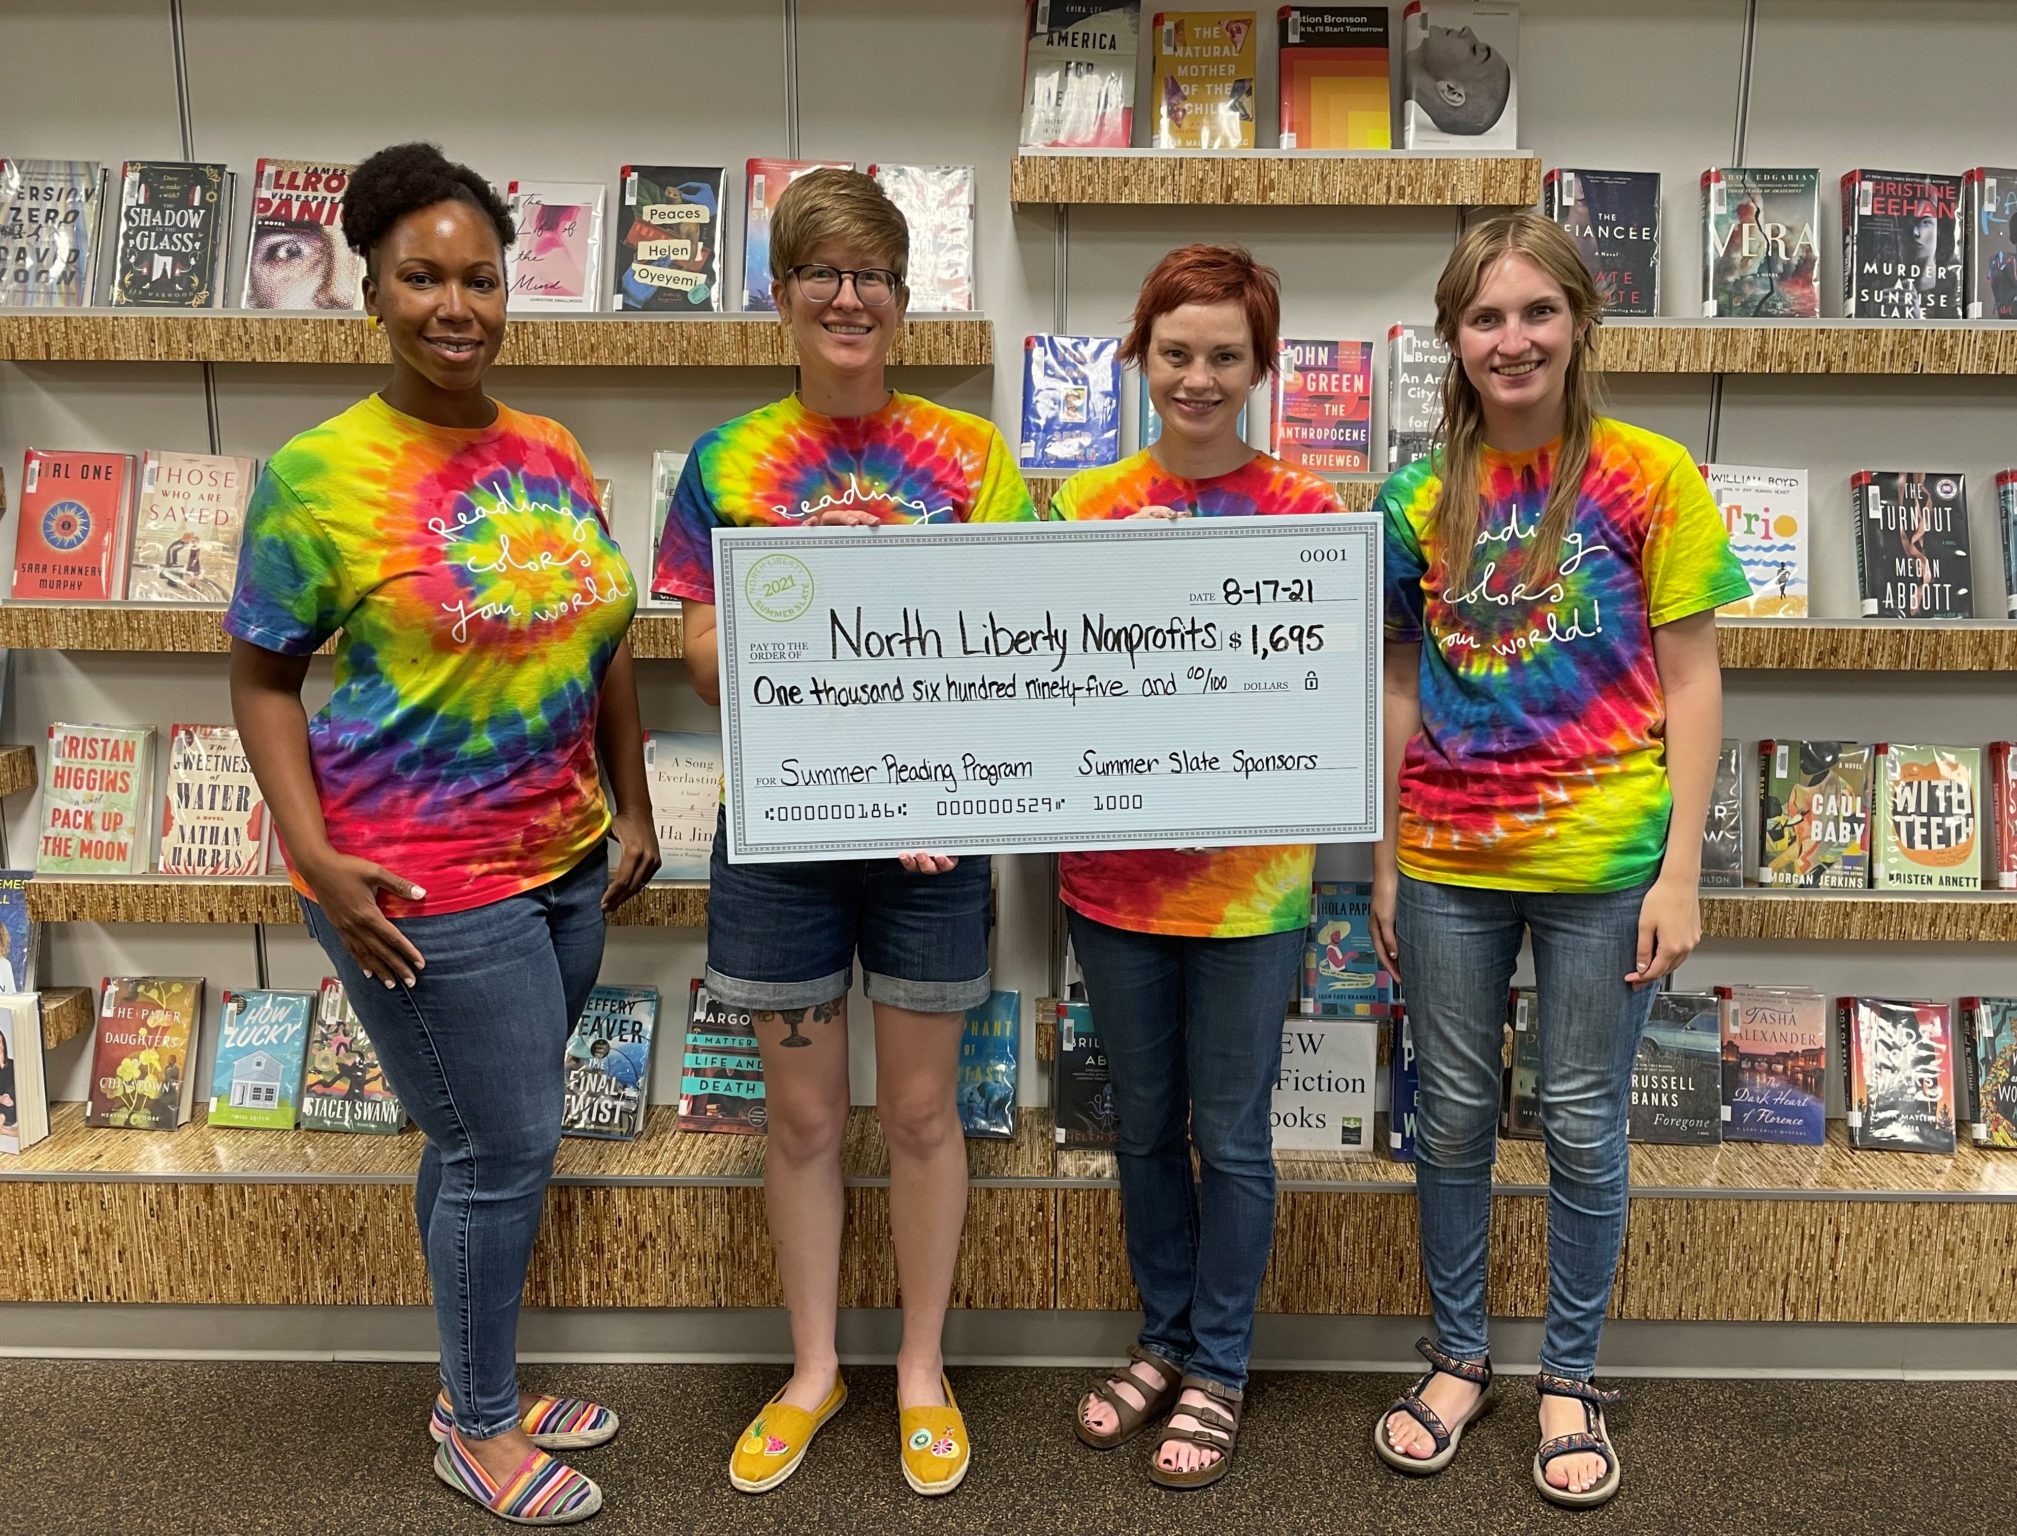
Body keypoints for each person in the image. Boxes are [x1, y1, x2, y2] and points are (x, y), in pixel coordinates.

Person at [226, 142, 657, 1527]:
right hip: (415, 881)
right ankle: (477, 1426)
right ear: (371, 287)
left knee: (475, 1142)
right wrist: (315, 858)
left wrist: (634, 803)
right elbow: (260, 676)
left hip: (564, 861)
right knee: (503, 1146)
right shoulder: (318, 475)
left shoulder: (549, 449)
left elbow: (606, 637)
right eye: (423, 276)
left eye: (479, 276)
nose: (455, 303)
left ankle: (476, 1382)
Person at [651, 167, 1035, 1499]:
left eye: (873, 274)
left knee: (924, 1116)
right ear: (780, 295)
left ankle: (921, 1367)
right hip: (784, 838)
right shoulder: (727, 463)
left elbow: (1013, 648)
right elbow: (703, 656)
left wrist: (926, 773)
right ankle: (813, 1368)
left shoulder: (974, 456)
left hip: (936, 838)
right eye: (822, 273)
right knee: (804, 1122)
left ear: (906, 298)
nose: (849, 297)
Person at [1367, 211, 1747, 1510]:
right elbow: (1401, 685)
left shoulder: (1649, 479)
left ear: (1582, 323)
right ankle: (1461, 1355)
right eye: (1486, 318)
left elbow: (1693, 685)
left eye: (1537, 312)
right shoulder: (1416, 499)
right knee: (1453, 1120)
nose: (1513, 339)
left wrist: (1683, 871)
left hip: (1607, 865)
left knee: (1584, 1126)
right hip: (1449, 863)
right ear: (1454, 342)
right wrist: (1383, 858)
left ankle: (1571, 1377)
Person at [1053, 245, 1342, 1491]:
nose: (1198, 376)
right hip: (1109, 882)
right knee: (1140, 1131)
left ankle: (1218, 1364)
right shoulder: (1079, 509)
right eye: (1175, 352)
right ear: (1140, 355)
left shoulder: (1314, 520)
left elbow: (1331, 705)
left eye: (1225, 355)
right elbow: (1040, 689)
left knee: (1230, 1138)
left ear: (1260, 367)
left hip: (1252, 889)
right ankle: (1161, 1338)